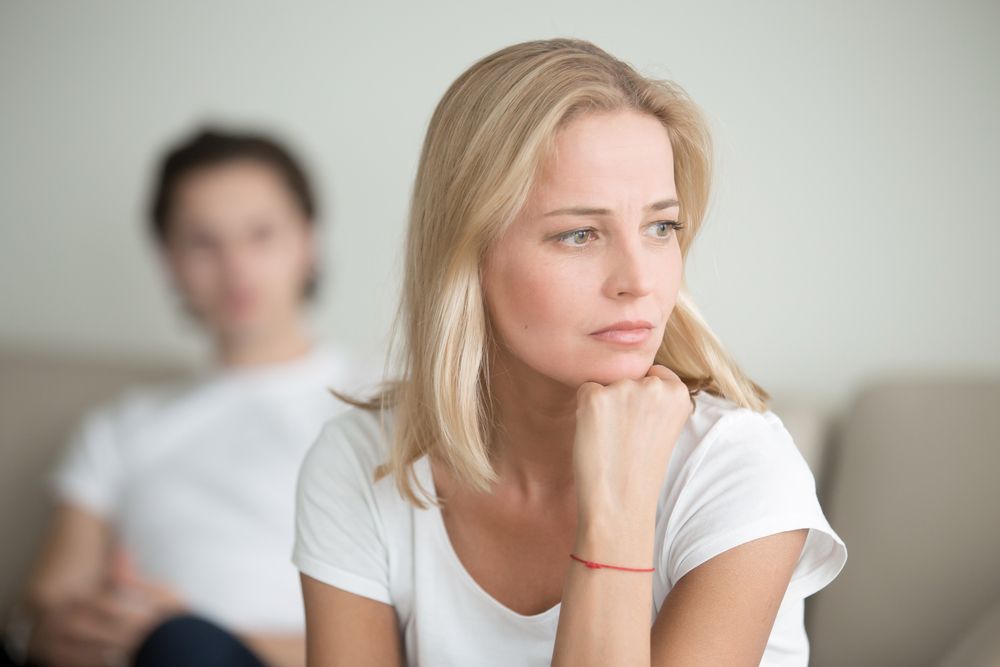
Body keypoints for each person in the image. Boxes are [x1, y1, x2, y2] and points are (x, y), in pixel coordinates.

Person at [292, 37, 848, 666]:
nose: (638, 280)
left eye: (660, 227)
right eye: (579, 234)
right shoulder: (364, 462)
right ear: (468, 256)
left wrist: (618, 507)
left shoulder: (737, 467)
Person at [1, 128, 379, 667]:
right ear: (168, 262)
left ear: (308, 242)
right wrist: (66, 630)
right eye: (203, 242)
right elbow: (43, 605)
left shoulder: (385, 401)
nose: (236, 269)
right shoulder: (122, 425)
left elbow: (419, 631)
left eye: (260, 234)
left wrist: (203, 636)